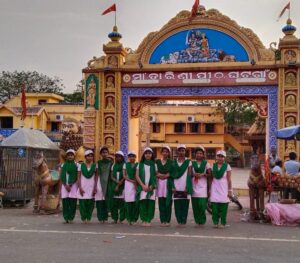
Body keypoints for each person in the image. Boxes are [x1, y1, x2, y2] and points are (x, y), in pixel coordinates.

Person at [210, 150, 232, 229]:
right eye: (218, 156)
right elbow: (210, 178)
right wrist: (209, 190)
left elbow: (229, 180)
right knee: (215, 207)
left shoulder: (227, 166)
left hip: (224, 188)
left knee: (223, 207)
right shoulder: (213, 166)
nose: (220, 158)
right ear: (216, 157)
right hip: (215, 188)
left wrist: (230, 190)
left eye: (222, 156)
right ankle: (215, 222)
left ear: (224, 158)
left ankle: (223, 223)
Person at [136, 147, 157, 227]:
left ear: (152, 155)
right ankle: (143, 219)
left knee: (150, 204)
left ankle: (149, 219)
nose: (148, 155)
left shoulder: (154, 165)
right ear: (144, 155)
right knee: (143, 203)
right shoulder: (140, 164)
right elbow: (137, 176)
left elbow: (156, 175)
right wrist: (142, 185)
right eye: (146, 153)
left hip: (151, 187)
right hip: (142, 187)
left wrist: (152, 185)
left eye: (149, 153)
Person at [172, 144, 192, 227]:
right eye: (179, 150)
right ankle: (179, 221)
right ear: (177, 151)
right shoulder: (173, 162)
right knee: (177, 205)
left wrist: (187, 186)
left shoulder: (188, 162)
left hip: (184, 186)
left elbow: (190, 175)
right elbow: (171, 175)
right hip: (176, 186)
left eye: (183, 150)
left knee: (185, 204)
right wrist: (172, 186)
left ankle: (183, 221)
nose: (181, 152)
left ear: (185, 151)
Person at [191, 146, 211, 227]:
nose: (199, 155)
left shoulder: (206, 163)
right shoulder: (191, 163)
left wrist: (203, 174)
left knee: (202, 205)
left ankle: (202, 221)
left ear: (203, 155)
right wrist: (194, 174)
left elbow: (210, 174)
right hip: (194, 186)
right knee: (195, 206)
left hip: (203, 187)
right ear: (195, 154)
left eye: (200, 153)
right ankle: (197, 221)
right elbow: (189, 173)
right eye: (197, 153)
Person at [156, 146, 174, 227]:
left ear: (169, 153)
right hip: (160, 183)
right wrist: (159, 175)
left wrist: (166, 175)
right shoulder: (158, 162)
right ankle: (162, 220)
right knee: (161, 202)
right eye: (164, 151)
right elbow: (155, 171)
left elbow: (173, 172)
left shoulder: (171, 162)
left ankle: (167, 220)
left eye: (167, 152)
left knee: (168, 202)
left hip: (168, 183)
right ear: (161, 153)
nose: (165, 153)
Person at [77, 150, 96, 223]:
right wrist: (80, 187)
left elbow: (96, 177)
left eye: (91, 156)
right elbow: (78, 177)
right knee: (82, 203)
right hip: (83, 186)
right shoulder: (80, 165)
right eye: (88, 156)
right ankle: (83, 218)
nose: (90, 157)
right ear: (85, 157)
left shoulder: (95, 166)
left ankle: (89, 218)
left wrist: (94, 187)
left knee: (90, 203)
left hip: (91, 186)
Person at [60, 149, 78, 224]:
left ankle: (71, 217)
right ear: (66, 157)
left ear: (74, 156)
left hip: (73, 186)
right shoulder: (63, 165)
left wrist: (70, 185)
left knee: (73, 202)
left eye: (71, 155)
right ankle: (66, 217)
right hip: (65, 185)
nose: (70, 156)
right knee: (65, 202)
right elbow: (61, 176)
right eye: (68, 155)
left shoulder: (77, 165)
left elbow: (77, 176)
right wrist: (65, 185)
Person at [96, 146, 113, 222]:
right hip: (100, 183)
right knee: (100, 201)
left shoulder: (111, 162)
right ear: (100, 154)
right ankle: (100, 217)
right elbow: (97, 174)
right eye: (103, 152)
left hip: (108, 183)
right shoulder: (98, 163)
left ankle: (105, 217)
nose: (104, 154)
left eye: (106, 152)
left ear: (108, 153)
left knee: (107, 199)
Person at [123, 151, 139, 225]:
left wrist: (135, 182)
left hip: (136, 184)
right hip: (128, 184)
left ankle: (134, 218)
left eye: (133, 156)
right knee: (128, 201)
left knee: (135, 202)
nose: (132, 157)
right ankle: (129, 218)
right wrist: (132, 180)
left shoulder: (138, 165)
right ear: (128, 157)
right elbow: (124, 176)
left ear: (135, 157)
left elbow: (139, 174)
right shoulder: (125, 165)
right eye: (130, 156)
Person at [110, 151, 126, 224]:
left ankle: (121, 218)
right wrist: (116, 182)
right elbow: (111, 176)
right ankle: (115, 218)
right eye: (117, 157)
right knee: (114, 204)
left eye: (119, 156)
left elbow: (125, 175)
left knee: (122, 204)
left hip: (123, 186)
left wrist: (119, 184)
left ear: (122, 158)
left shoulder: (124, 165)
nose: (118, 158)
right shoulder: (113, 165)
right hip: (114, 185)